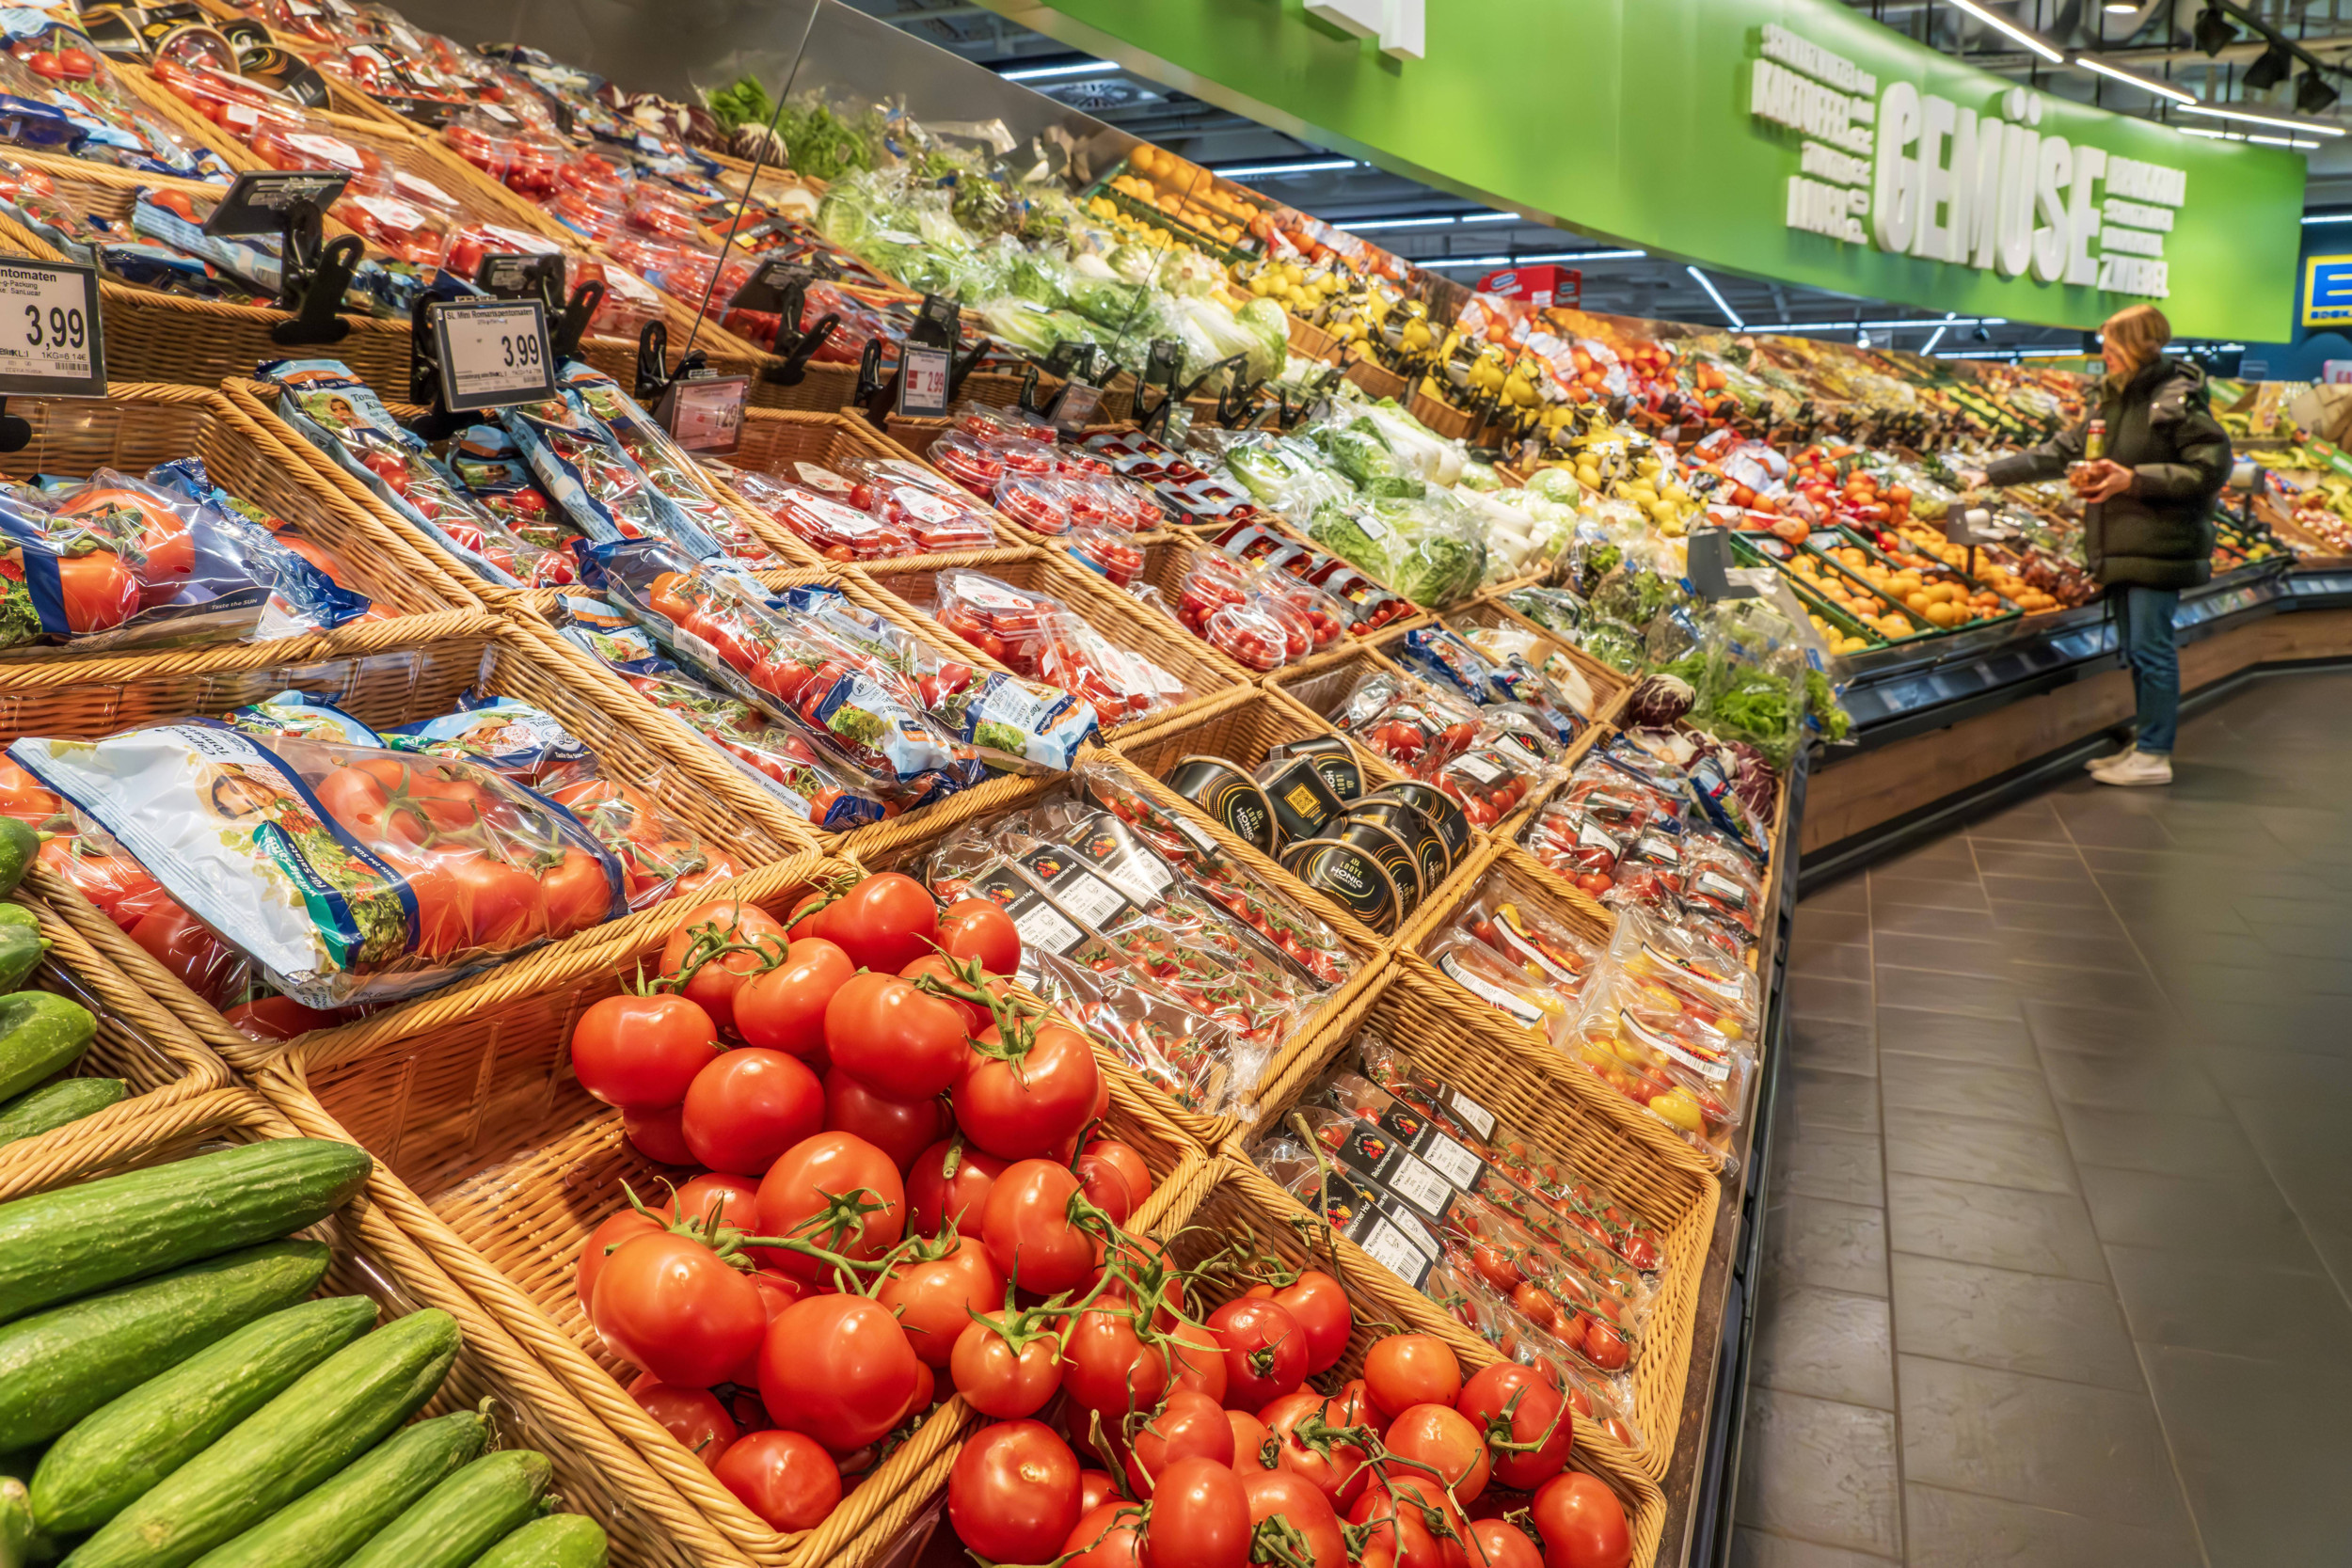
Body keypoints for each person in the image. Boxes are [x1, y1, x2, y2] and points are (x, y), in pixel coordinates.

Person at [1958, 305, 2232, 787]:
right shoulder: (2112, 399)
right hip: (2120, 543)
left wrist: (2134, 479)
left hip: (2159, 544)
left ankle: (2154, 754)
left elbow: (2210, 470)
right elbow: (2064, 451)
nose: (2104, 351)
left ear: (2139, 345)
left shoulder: (2176, 398)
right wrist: (1990, 473)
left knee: (2152, 649)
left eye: (2112, 343)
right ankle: (2145, 744)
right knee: (2137, 648)